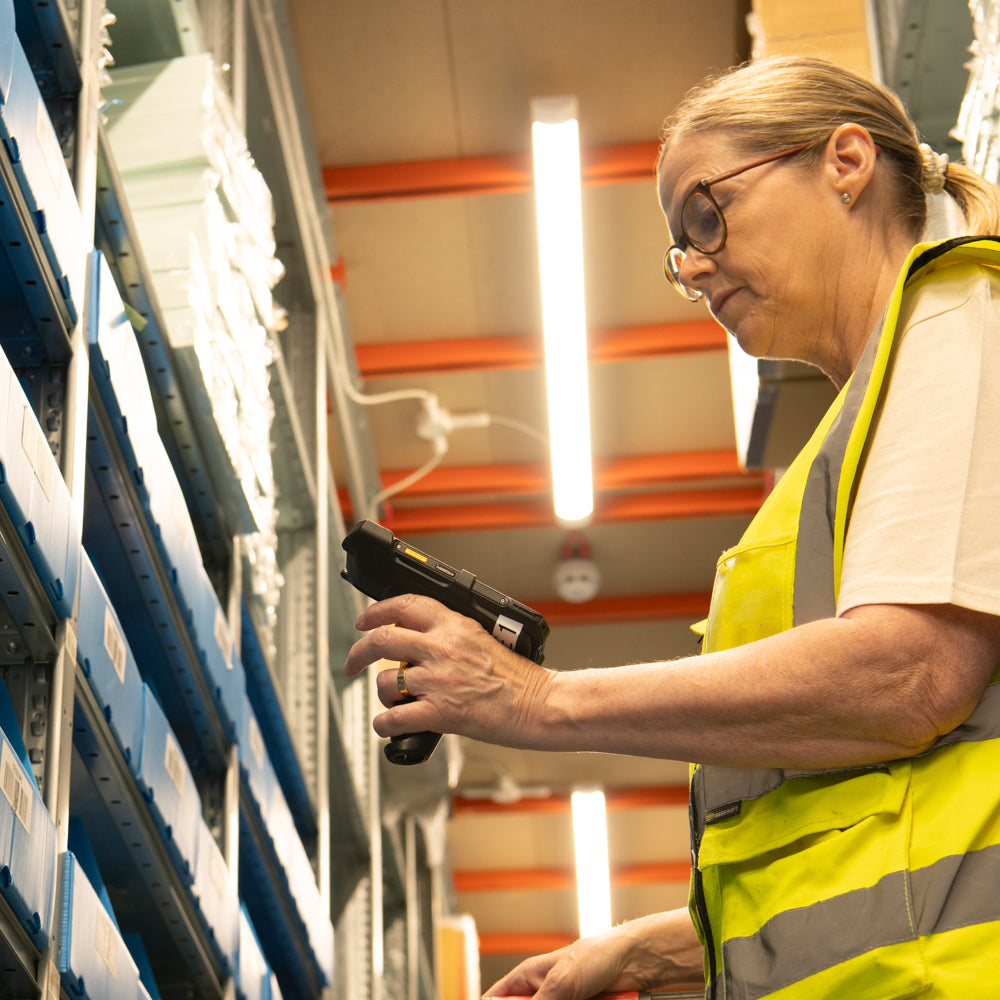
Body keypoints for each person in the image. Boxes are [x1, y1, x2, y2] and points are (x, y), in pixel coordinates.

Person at [344, 55, 1000, 999]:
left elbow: (910, 675)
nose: (691, 263)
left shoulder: (959, 319)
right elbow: (878, 823)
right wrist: (647, 949)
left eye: (705, 215)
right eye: (678, 248)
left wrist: (538, 700)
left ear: (845, 162)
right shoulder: (858, 426)